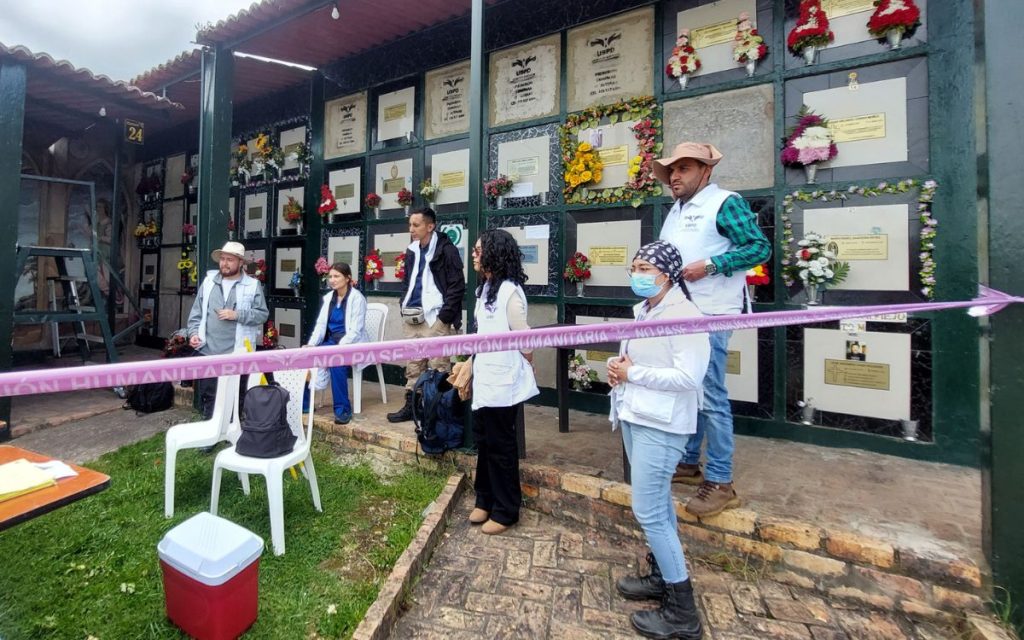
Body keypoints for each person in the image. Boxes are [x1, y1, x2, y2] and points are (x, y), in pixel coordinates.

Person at [654, 141, 771, 517]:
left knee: (711, 395)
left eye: (684, 169)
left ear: (706, 171)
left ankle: (721, 481)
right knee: (690, 389)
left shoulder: (725, 203)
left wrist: (712, 265)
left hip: (711, 314)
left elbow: (759, 247)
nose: (675, 176)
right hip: (680, 313)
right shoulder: (676, 210)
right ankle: (689, 463)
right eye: (672, 170)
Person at [607, 240, 709, 640]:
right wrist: (619, 369)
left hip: (663, 424)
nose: (638, 273)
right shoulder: (645, 310)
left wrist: (634, 375)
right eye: (634, 266)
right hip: (635, 414)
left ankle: (683, 613)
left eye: (646, 267)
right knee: (658, 506)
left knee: (648, 511)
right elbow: (639, 362)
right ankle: (661, 577)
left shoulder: (686, 315)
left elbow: (689, 378)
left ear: (667, 274)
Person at [468, 229, 538, 535]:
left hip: (503, 380)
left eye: (478, 250)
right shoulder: (485, 288)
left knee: (501, 446)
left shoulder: (510, 291)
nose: (473, 254)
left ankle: (506, 510)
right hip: (485, 376)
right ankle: (484, 499)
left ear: (494, 253)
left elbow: (525, 341)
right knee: (483, 441)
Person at [387, 207, 466, 423]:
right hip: (412, 316)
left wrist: (445, 317)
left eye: (416, 225)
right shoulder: (412, 250)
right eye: (410, 224)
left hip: (436, 318)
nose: (411, 229)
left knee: (438, 366)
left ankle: (438, 412)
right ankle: (412, 407)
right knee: (413, 366)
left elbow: (457, 285)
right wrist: (404, 301)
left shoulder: (447, 250)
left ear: (430, 226)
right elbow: (407, 281)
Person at [187, 241, 269, 419]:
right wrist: (193, 333)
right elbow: (197, 312)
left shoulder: (252, 285)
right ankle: (210, 433)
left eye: (230, 260)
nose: (224, 263)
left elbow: (262, 314)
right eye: (222, 259)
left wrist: (237, 315)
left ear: (240, 263)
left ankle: (233, 431)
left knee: (236, 394)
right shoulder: (208, 282)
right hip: (209, 350)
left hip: (238, 351)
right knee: (209, 395)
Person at [304, 262, 369, 424]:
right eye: (330, 276)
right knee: (305, 357)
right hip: (331, 342)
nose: (332, 280)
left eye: (336, 276)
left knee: (336, 362)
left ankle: (342, 409)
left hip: (351, 344)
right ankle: (305, 404)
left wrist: (338, 349)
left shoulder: (357, 298)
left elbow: (355, 330)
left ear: (347, 278)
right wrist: (311, 345)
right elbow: (320, 325)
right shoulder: (328, 298)